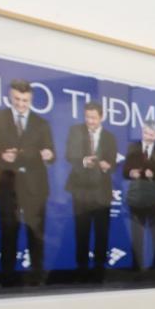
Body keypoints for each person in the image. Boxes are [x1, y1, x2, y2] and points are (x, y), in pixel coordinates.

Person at [0, 79, 55, 285]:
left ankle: (37, 276)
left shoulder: (42, 124)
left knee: (36, 231)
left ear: (31, 99)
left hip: (35, 185)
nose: (21, 104)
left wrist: (48, 155)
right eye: (17, 99)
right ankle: (7, 277)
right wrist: (2, 155)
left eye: (25, 100)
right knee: (8, 230)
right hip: (7, 182)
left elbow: (52, 154)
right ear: (10, 97)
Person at [64, 102, 118, 281]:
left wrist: (106, 166)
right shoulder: (75, 131)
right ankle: (82, 270)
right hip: (80, 191)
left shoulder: (110, 137)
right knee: (82, 231)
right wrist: (83, 161)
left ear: (102, 117)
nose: (90, 121)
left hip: (102, 192)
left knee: (102, 233)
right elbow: (69, 155)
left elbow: (113, 164)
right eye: (87, 117)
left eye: (94, 118)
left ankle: (99, 271)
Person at [123, 122, 155, 272]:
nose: (148, 137)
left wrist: (154, 175)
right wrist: (131, 173)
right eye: (145, 133)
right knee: (137, 235)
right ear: (142, 132)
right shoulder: (132, 148)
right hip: (136, 196)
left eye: (151, 134)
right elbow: (125, 171)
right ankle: (137, 268)